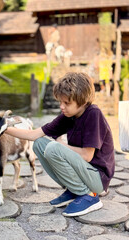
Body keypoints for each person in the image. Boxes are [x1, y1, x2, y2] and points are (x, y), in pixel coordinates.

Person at [6, 72, 115, 217]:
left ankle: (89, 196)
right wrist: (4, 128)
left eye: (67, 103)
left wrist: (61, 144)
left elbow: (87, 156)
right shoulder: (68, 116)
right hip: (84, 173)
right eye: (60, 102)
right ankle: (74, 189)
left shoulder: (93, 114)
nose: (62, 107)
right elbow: (33, 135)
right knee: (39, 144)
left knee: (53, 148)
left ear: (82, 101)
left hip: (98, 179)